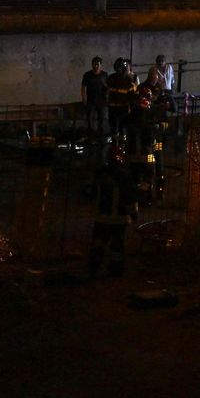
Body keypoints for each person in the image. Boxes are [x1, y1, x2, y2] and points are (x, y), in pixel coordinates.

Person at [88, 144, 138, 279]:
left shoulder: (100, 173)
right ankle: (115, 271)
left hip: (101, 217)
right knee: (117, 245)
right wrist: (133, 213)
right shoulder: (124, 176)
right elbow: (129, 198)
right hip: (119, 219)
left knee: (98, 241)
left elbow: (91, 193)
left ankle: (94, 266)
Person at [80, 56, 109, 156]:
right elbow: (83, 87)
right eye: (94, 64)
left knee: (101, 121)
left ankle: (100, 140)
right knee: (90, 121)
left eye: (97, 64)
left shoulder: (104, 75)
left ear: (100, 65)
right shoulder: (87, 75)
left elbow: (108, 87)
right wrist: (84, 99)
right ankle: (90, 139)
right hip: (91, 101)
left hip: (101, 102)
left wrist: (107, 98)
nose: (96, 66)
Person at [106, 57, 137, 140]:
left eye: (120, 68)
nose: (119, 70)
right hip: (113, 108)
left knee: (122, 129)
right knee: (114, 129)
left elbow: (132, 96)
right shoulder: (111, 78)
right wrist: (107, 101)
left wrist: (131, 107)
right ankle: (115, 145)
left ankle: (122, 146)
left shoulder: (129, 80)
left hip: (123, 109)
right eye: (118, 68)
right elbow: (106, 92)